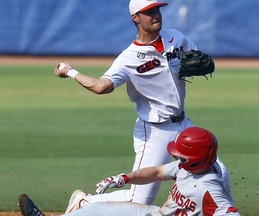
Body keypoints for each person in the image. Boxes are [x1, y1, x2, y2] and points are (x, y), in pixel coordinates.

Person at [54, 0, 216, 206]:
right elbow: (101, 86)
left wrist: (206, 63)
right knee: (138, 199)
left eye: (157, 9)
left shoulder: (176, 38)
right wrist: (71, 71)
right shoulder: (128, 58)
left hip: (184, 124)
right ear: (135, 18)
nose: (156, 14)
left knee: (213, 170)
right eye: (149, 12)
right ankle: (84, 202)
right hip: (155, 131)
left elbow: (201, 59)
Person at [18, 127, 240, 216]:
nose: (175, 157)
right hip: (154, 214)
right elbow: (155, 173)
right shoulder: (189, 168)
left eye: (180, 155)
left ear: (194, 160)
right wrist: (124, 178)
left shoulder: (208, 188)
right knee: (96, 210)